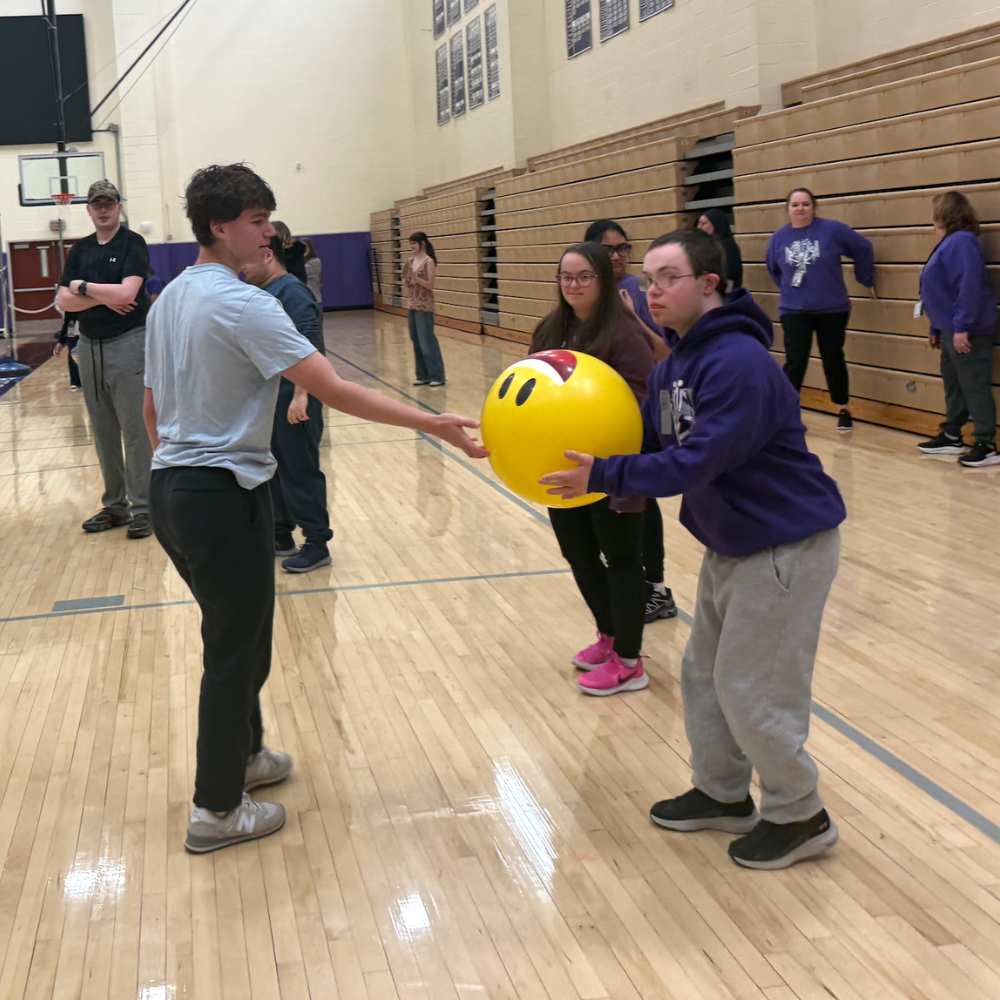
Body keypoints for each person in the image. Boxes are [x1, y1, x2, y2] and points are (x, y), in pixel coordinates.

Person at [143, 163, 487, 853]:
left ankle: (244, 757)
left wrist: (179, 471)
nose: (267, 232)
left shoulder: (172, 297)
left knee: (239, 636)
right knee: (233, 651)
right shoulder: (244, 304)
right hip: (217, 493)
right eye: (255, 220)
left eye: (268, 218)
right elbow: (333, 386)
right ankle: (215, 810)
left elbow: (151, 408)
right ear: (219, 226)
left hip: (173, 490)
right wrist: (432, 424)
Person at [541, 229, 846, 870]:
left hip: (784, 546)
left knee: (750, 687)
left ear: (709, 283)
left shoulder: (737, 363)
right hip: (732, 544)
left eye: (666, 278)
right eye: (646, 279)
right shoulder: (678, 362)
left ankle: (799, 813)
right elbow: (655, 445)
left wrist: (605, 477)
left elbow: (697, 460)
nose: (650, 291)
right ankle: (723, 793)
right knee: (705, 677)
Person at [531, 243, 655, 696]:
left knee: (621, 558)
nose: (574, 285)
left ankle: (629, 661)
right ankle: (608, 636)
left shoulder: (623, 334)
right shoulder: (549, 330)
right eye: (566, 277)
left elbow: (642, 403)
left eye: (584, 277)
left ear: (603, 280)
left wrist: (613, 460)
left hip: (614, 467)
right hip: (561, 466)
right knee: (579, 553)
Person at [584, 219, 677, 624]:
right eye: (609, 250)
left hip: (648, 411)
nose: (618, 256)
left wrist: (630, 317)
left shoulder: (641, 292)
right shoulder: (586, 295)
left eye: (624, 248)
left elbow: (667, 354)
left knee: (641, 498)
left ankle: (655, 587)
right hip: (603, 418)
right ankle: (627, 579)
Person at [56, 179, 154, 538]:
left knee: (135, 429)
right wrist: (102, 296)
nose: (103, 209)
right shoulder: (80, 250)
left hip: (129, 343)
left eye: (108, 203)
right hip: (89, 346)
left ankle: (144, 508)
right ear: (88, 209)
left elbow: (129, 292)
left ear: (119, 205)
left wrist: (82, 288)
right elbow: (64, 302)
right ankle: (115, 507)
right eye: (96, 203)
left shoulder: (132, 243)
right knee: (103, 432)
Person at [245, 236, 334, 571]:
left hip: (294, 399)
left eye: (247, 261)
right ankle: (280, 533)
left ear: (267, 256)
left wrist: (301, 394)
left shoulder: (293, 292)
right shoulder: (263, 293)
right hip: (271, 401)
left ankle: (317, 541)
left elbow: (311, 346)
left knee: (300, 471)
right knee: (274, 471)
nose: (242, 267)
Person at [766, 188, 876, 432]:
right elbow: (774, 269)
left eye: (805, 204)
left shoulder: (832, 230)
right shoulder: (779, 238)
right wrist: (791, 291)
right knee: (795, 361)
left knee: (833, 358)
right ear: (788, 210)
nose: (801, 209)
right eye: (795, 205)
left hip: (831, 308)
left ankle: (843, 408)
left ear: (814, 207)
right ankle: (784, 413)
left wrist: (865, 278)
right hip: (794, 310)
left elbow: (863, 248)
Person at [917, 192, 1000, 466]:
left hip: (967, 330)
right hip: (949, 328)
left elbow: (968, 286)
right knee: (953, 384)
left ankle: (986, 443)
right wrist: (935, 326)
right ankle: (952, 434)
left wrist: (962, 326)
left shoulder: (961, 242)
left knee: (974, 385)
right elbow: (941, 291)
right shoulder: (949, 243)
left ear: (944, 213)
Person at [404, 232, 446, 387]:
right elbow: (408, 284)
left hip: (425, 306)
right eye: (410, 244)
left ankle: (437, 375)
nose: (411, 247)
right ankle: (422, 375)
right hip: (412, 304)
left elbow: (430, 285)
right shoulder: (410, 260)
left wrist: (417, 278)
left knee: (426, 341)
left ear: (422, 244)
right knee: (415, 340)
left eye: (414, 243)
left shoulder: (429, 261)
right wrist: (408, 280)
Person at [697, 209, 743, 291]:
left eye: (703, 223)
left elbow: (731, 274)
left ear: (716, 225)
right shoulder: (704, 245)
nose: (699, 227)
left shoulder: (727, 245)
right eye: (699, 223)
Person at [53, 312, 82, 390]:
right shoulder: (71, 303)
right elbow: (68, 321)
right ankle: (76, 381)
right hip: (74, 327)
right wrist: (61, 342)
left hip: (91, 328)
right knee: (73, 354)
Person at [302, 237, 323, 304]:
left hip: (313, 299)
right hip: (302, 300)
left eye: (305, 247)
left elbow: (301, 271)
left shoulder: (315, 262)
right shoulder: (296, 262)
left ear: (310, 249)